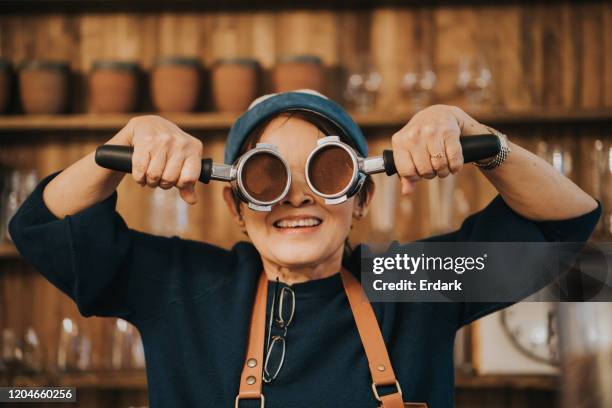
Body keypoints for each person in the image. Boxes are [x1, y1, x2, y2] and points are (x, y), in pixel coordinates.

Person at [9, 90, 600, 408]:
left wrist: (481, 140)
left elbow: (564, 231)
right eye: (267, 179)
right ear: (237, 206)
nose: (296, 198)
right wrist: (127, 138)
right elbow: (40, 229)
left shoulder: (408, 281)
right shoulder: (184, 287)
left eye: (328, 173)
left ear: (360, 199)